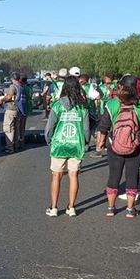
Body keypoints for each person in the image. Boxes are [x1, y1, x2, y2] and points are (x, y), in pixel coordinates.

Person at [96, 75, 140, 218]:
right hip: (135, 146)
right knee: (132, 176)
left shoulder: (112, 104)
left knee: (113, 175)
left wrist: (100, 143)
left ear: (121, 87)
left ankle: (111, 208)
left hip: (114, 145)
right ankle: (130, 209)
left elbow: (103, 126)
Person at [44, 76, 91, 217]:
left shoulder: (57, 105)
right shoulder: (82, 107)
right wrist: (86, 142)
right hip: (76, 144)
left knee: (56, 176)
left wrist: (49, 141)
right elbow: (86, 129)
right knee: (74, 176)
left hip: (59, 144)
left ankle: (53, 208)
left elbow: (49, 128)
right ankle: (71, 207)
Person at [0, 73, 25, 154]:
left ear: (12, 79)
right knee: (16, 129)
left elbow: (9, 96)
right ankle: (15, 146)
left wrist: (1, 100)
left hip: (11, 109)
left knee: (9, 129)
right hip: (18, 110)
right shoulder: (21, 87)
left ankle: (10, 148)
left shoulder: (13, 86)